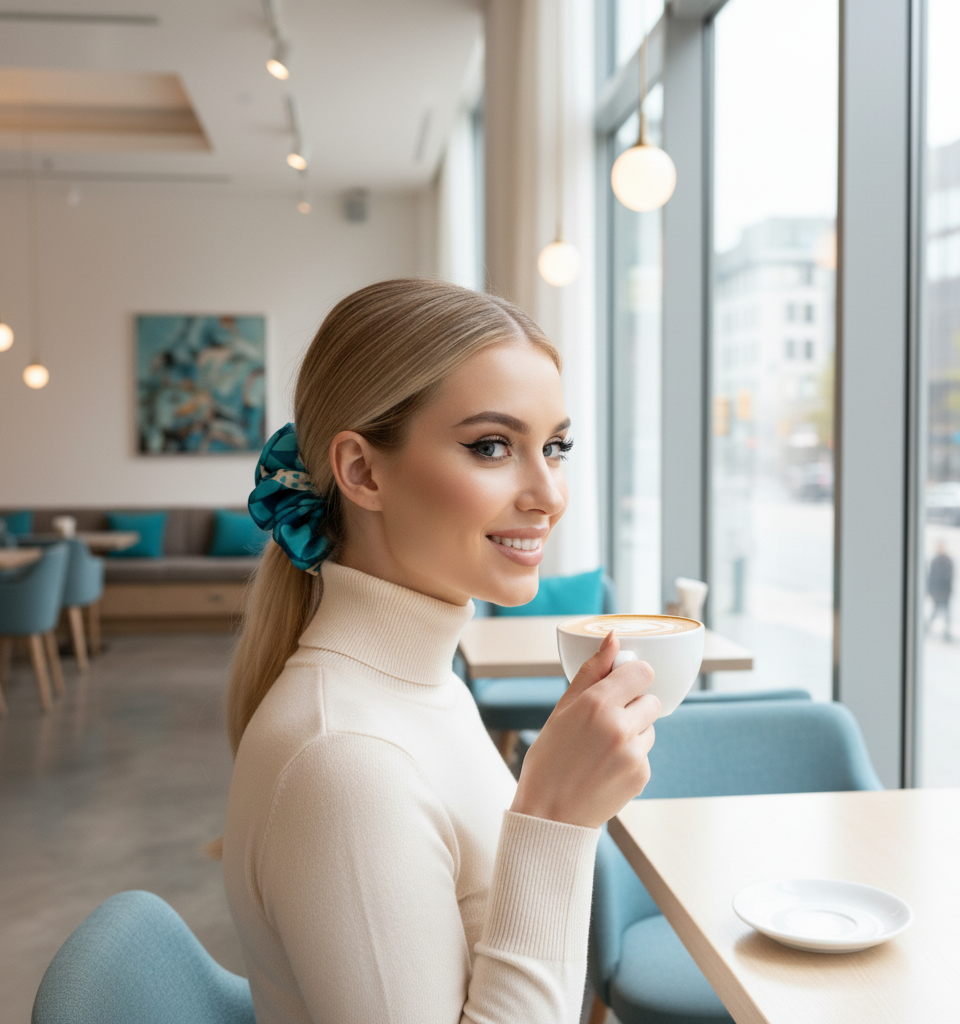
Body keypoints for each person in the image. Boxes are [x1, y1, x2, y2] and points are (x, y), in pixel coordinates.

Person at [220, 279, 660, 1024]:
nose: (549, 493)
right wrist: (553, 816)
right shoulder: (346, 761)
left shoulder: (425, 689)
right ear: (362, 471)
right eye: (492, 446)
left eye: (555, 446)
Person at [926, 540, 954, 641]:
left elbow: (951, 576)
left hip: (946, 592)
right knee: (935, 612)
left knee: (946, 614)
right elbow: (931, 577)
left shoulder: (948, 560)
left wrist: (950, 591)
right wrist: (930, 592)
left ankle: (946, 633)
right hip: (937, 592)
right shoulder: (935, 561)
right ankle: (927, 627)